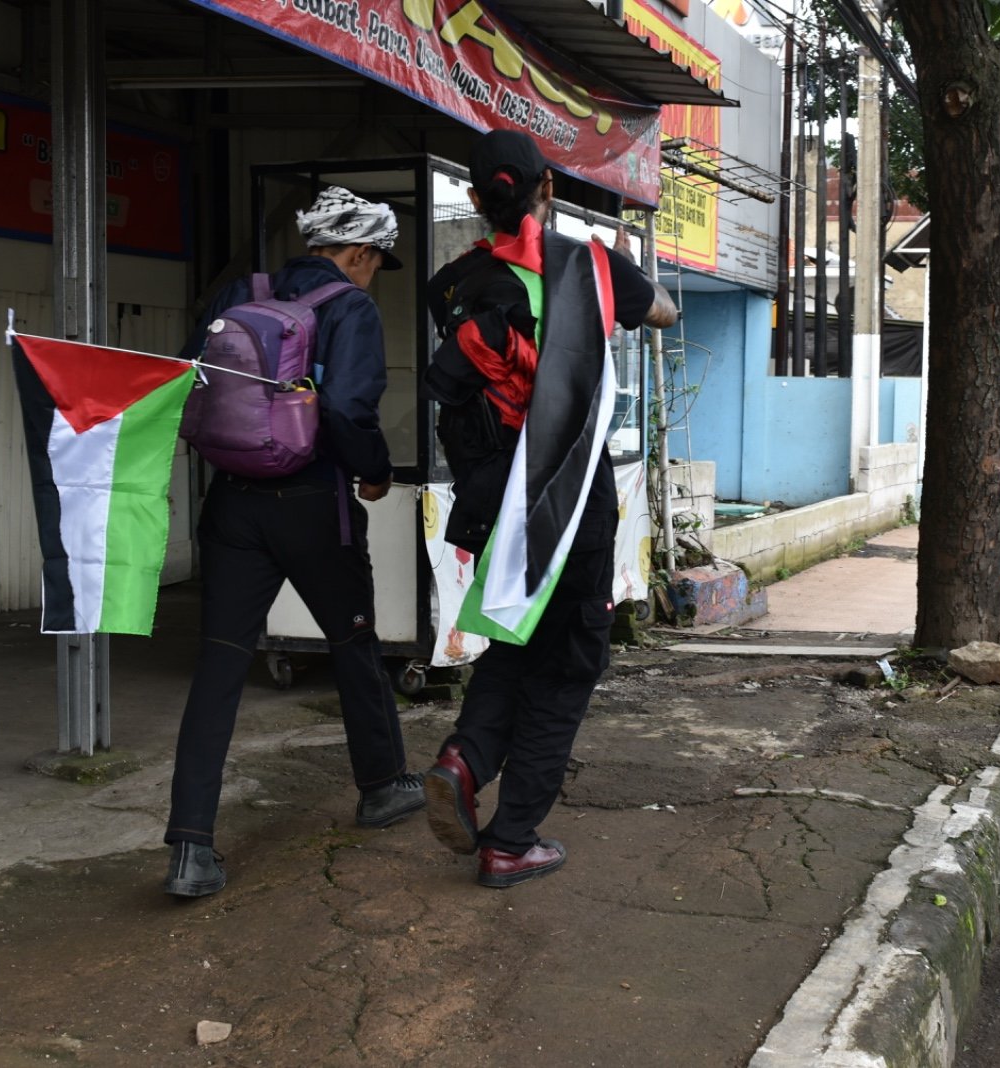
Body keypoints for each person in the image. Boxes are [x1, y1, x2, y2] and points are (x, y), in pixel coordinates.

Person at [421, 130, 677, 888]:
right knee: (568, 663)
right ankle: (511, 840)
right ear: (549, 191)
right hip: (570, 503)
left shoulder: (453, 283)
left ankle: (464, 761)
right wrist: (622, 265)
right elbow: (659, 311)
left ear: (475, 201)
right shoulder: (590, 268)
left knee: (515, 639)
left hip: (495, 502)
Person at [163, 186, 422, 898]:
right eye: (375, 261)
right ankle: (382, 787)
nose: (372, 274)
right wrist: (372, 472)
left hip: (233, 508)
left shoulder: (237, 300)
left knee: (218, 668)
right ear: (361, 254)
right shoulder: (350, 307)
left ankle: (189, 849)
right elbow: (345, 405)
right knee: (353, 642)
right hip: (315, 505)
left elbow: (187, 384)